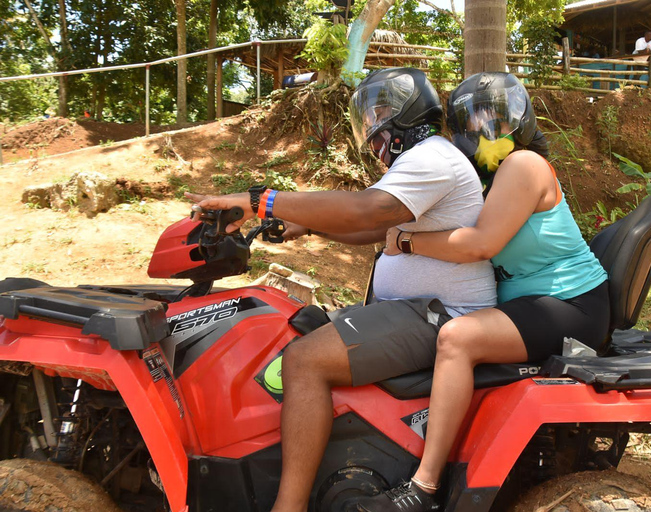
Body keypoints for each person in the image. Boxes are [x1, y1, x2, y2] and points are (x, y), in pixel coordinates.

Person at [186, 67, 497, 512]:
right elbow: (373, 227)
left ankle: (287, 506)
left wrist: (260, 200)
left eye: (380, 113)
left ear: (407, 113)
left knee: (304, 360)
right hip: (417, 310)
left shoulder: (432, 157)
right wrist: (307, 224)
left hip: (440, 315)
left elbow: (368, 211)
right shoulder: (421, 161)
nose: (372, 127)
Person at [356, 72, 610, 512]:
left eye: (498, 117)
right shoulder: (487, 181)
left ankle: (425, 485)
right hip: (530, 305)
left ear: (521, 117)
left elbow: (479, 246)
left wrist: (406, 243)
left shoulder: (523, 165)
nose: (487, 130)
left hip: (570, 304)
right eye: (474, 121)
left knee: (458, 338)